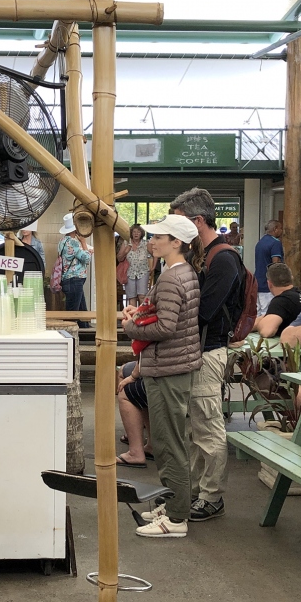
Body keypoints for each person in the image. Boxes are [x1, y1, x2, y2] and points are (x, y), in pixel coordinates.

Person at [121, 215, 203, 537]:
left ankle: (176, 518)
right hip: (176, 366)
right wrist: (142, 314)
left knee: (169, 445)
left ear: (177, 242)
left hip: (168, 368)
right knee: (172, 441)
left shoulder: (171, 277)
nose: (151, 242)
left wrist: (131, 327)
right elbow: (170, 318)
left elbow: (166, 327)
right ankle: (173, 505)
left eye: (158, 237)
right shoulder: (184, 272)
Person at [171, 187, 245, 521]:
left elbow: (205, 311)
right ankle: (196, 490)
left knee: (208, 427)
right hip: (198, 349)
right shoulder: (205, 256)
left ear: (198, 221)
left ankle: (212, 495)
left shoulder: (224, 258)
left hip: (210, 350)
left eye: (179, 222)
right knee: (196, 428)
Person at [252, 263, 301, 338]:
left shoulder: (281, 301)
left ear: (269, 284)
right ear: (291, 278)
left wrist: (260, 324)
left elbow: (266, 331)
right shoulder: (298, 295)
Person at [116, 360, 151, 466]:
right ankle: (151, 444)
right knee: (124, 369)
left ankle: (135, 452)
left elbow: (144, 352)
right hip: (187, 366)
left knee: (125, 391)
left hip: (166, 370)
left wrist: (133, 376)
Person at [57, 214, 92, 312]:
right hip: (75, 280)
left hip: (67, 279)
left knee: (81, 311)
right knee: (73, 313)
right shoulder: (73, 242)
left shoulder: (62, 241)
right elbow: (87, 258)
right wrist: (84, 243)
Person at [117, 224, 153, 306]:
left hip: (143, 272)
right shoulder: (126, 243)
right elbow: (119, 258)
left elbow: (155, 254)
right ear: (131, 233)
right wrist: (125, 252)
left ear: (141, 233)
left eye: (138, 232)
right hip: (129, 273)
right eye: (134, 232)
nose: (136, 234)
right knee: (131, 297)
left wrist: (153, 267)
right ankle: (133, 314)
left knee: (142, 296)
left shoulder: (146, 243)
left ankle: (142, 313)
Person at [254, 219, 284, 314]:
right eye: (280, 228)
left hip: (257, 282)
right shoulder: (275, 243)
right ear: (275, 229)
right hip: (268, 284)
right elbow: (275, 265)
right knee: (268, 312)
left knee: (258, 312)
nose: (282, 231)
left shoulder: (260, 242)